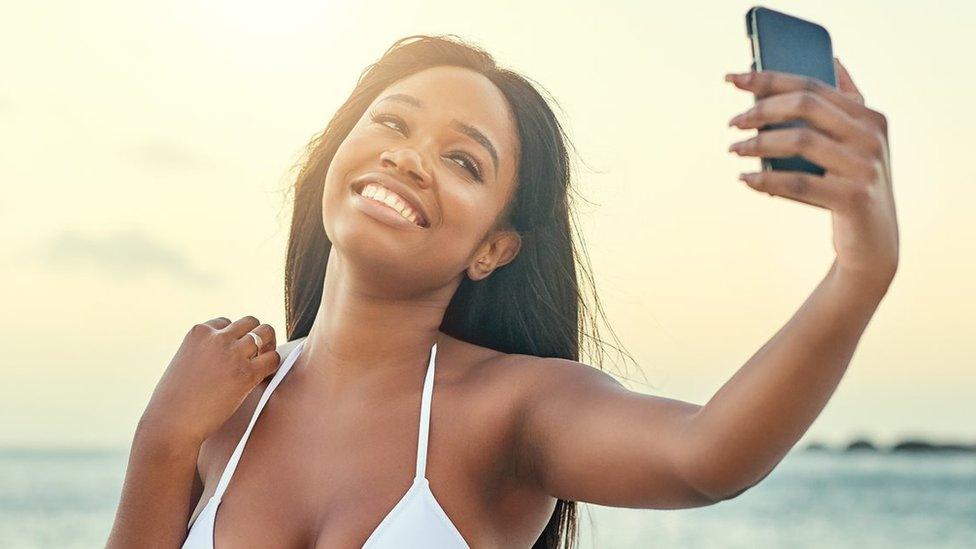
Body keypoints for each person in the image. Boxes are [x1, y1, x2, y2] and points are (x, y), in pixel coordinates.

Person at [106, 34, 898, 548]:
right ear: (335, 156)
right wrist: (161, 438)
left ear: (494, 247)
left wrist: (862, 268)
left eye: (464, 161)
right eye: (391, 124)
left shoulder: (507, 412)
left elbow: (707, 457)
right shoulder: (221, 406)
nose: (411, 159)